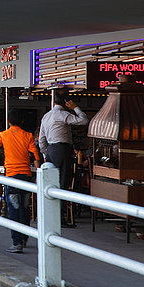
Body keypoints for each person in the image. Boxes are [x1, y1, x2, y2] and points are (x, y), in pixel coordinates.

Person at [0, 109, 41, 253]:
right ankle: (24, 238)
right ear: (22, 121)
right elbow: (36, 156)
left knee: (13, 208)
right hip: (25, 177)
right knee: (25, 207)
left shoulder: (3, 135)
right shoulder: (28, 136)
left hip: (11, 178)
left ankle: (16, 242)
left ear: (8, 121)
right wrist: (38, 175)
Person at [39, 89, 89, 227]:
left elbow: (42, 140)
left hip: (51, 151)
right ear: (66, 103)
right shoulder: (63, 114)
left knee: (50, 184)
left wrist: (46, 154)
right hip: (62, 150)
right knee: (62, 184)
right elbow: (84, 120)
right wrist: (75, 108)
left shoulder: (46, 116)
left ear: (53, 101)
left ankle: (49, 217)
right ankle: (59, 219)